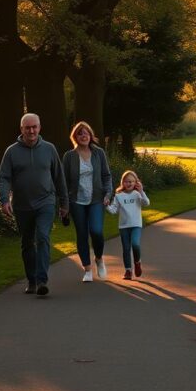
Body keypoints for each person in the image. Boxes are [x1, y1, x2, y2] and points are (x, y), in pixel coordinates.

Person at [0, 113, 69, 297]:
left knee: (43, 236)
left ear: (39, 127)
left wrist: (64, 203)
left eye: (34, 127)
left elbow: (59, 177)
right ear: (21, 129)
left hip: (46, 202)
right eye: (27, 127)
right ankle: (31, 280)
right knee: (27, 242)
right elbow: (3, 178)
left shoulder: (49, 149)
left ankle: (42, 280)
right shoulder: (11, 152)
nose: (31, 131)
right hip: (21, 205)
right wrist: (4, 200)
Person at [62, 121, 113, 283]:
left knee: (97, 231)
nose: (83, 136)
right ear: (75, 137)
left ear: (90, 135)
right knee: (82, 234)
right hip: (76, 201)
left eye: (86, 133)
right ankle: (87, 269)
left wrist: (108, 193)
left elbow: (106, 176)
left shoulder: (99, 153)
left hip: (97, 199)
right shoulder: (69, 156)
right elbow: (63, 181)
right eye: (80, 133)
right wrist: (64, 204)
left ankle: (98, 258)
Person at [107, 170, 150, 281]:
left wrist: (141, 191)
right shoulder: (118, 196)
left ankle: (137, 262)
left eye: (131, 181)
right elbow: (114, 210)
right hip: (123, 227)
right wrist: (106, 205)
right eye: (126, 181)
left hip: (136, 225)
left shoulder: (137, 194)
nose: (129, 183)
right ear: (122, 183)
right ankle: (128, 270)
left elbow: (146, 203)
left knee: (135, 244)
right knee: (126, 249)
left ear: (136, 182)